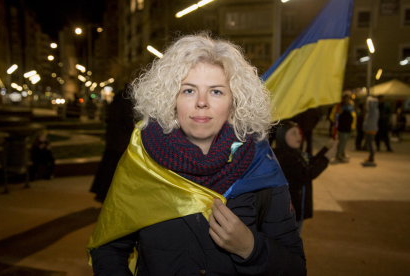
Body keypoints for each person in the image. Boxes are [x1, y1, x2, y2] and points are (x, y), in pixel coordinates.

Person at [87, 34, 306, 275]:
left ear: (235, 102)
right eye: (189, 90)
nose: (201, 102)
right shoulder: (142, 160)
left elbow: (295, 267)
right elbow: (108, 249)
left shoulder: (260, 166)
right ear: (171, 98)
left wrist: (251, 248)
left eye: (216, 92)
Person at [273, 121, 337, 234]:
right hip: (290, 210)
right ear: (282, 135)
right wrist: (326, 159)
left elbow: (310, 160)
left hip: (294, 210)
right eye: (293, 133)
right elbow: (308, 174)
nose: (298, 136)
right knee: (291, 241)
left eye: (299, 133)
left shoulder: (295, 153)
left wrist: (327, 148)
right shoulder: (286, 158)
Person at [90, 85, 139, 203]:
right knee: (115, 170)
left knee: (110, 168)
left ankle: (103, 193)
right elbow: (129, 121)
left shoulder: (119, 97)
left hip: (115, 140)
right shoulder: (128, 99)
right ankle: (108, 195)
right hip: (122, 142)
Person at [330, 93, 356, 162]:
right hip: (342, 126)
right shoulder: (339, 106)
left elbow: (353, 115)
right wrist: (335, 125)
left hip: (348, 126)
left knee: (345, 140)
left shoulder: (350, 105)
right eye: (346, 98)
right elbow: (334, 116)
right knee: (342, 140)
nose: (347, 99)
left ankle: (342, 153)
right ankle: (338, 154)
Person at [361, 96, 379, 166]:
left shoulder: (372, 111)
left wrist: (365, 126)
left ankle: (371, 156)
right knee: (370, 143)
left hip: (370, 129)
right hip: (373, 128)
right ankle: (371, 156)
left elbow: (368, 120)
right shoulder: (376, 110)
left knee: (370, 143)